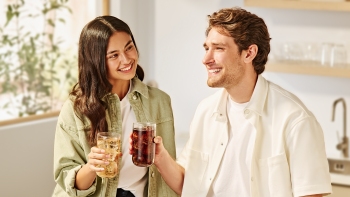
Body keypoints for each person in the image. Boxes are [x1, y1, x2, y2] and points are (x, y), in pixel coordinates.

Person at [142, 7, 332, 197]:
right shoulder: (206, 111)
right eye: (207, 48)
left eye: (219, 48)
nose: (206, 59)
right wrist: (160, 157)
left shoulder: (295, 120)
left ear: (249, 53)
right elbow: (190, 185)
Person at [53, 16, 178, 197]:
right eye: (114, 55)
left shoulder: (159, 101)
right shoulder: (75, 109)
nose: (127, 59)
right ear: (97, 61)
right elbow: (68, 181)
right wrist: (91, 166)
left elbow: (167, 172)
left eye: (129, 47)